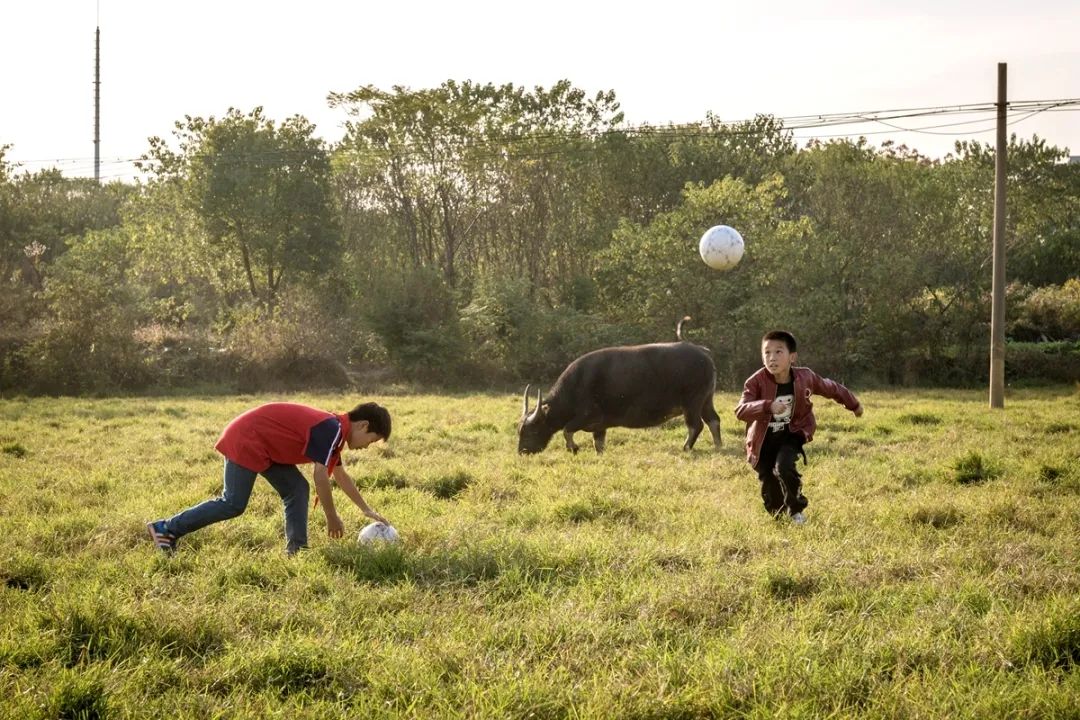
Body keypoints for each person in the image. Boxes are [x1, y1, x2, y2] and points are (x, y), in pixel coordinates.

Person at [147, 401, 392, 555]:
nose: (366, 447)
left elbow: (340, 475)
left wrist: (366, 510)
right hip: (247, 438)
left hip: (264, 446)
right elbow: (321, 475)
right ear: (363, 426)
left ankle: (297, 551)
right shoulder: (332, 429)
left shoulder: (337, 432)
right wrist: (332, 517)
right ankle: (165, 529)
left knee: (296, 489)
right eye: (371, 441)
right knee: (233, 502)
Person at [735, 331, 862, 524]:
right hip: (763, 440)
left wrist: (853, 404)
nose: (772, 358)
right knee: (770, 485)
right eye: (767, 353)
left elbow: (831, 388)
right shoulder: (755, 382)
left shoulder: (806, 377)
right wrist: (767, 405)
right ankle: (778, 516)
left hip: (793, 433)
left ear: (792, 357)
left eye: (778, 352)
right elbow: (741, 410)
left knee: (785, 467)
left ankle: (796, 510)